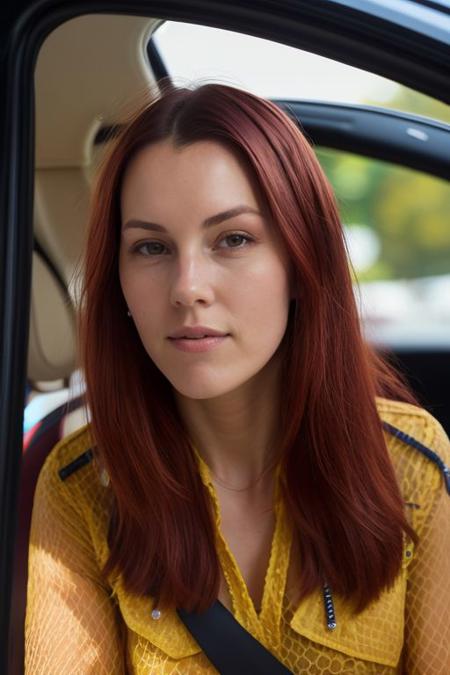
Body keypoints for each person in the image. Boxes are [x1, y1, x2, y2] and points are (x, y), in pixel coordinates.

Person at [25, 82, 450, 674]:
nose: (187, 287)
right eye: (150, 247)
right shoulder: (82, 488)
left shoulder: (412, 464)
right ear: (117, 282)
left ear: (302, 263)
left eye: (233, 239)